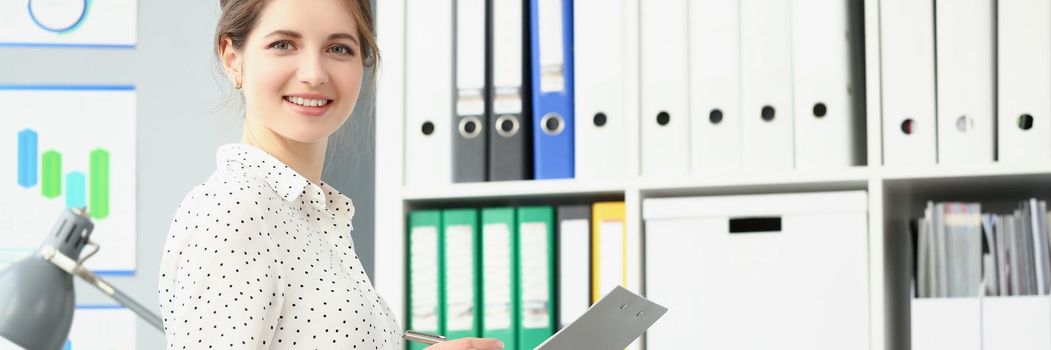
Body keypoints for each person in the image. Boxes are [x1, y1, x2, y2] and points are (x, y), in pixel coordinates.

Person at [157, 0, 504, 349]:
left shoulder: (314, 218)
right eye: (283, 44)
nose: (314, 73)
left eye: (338, 48)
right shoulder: (232, 209)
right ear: (233, 58)